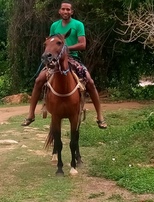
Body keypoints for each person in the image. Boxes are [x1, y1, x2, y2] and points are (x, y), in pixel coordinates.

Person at [21, 0, 107, 129]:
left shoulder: (78, 25)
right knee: (39, 80)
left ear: (72, 12)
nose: (65, 11)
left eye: (68, 9)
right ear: (59, 11)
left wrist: (66, 48)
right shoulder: (54, 26)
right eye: (63, 9)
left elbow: (83, 44)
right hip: (55, 59)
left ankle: (100, 116)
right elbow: (51, 43)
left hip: (72, 58)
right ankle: (31, 114)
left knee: (90, 81)